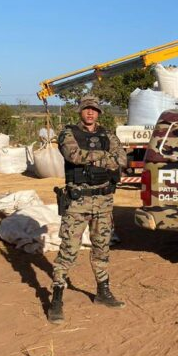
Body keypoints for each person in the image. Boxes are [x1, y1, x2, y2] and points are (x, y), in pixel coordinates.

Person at [48, 95, 127, 324]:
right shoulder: (68, 133)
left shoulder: (108, 135)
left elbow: (122, 159)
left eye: (94, 109)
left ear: (99, 112)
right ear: (80, 111)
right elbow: (74, 155)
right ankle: (56, 299)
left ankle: (103, 292)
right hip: (77, 203)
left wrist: (94, 159)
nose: (90, 112)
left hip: (103, 203)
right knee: (68, 251)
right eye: (86, 109)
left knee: (102, 249)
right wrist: (104, 157)